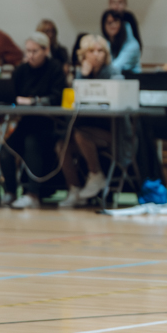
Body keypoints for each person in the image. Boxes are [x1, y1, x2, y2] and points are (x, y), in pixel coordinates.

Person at [3, 33, 66, 208]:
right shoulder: (21, 70)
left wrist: (32, 101)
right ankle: (10, 192)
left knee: (32, 145)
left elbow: (57, 97)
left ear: (45, 50)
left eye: (34, 51)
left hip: (49, 124)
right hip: (25, 123)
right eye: (28, 51)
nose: (30, 55)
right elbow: (10, 93)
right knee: (6, 151)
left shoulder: (55, 68)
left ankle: (33, 194)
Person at [58, 34, 115, 207]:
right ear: (83, 55)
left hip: (112, 133)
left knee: (81, 135)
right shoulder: (80, 74)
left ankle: (96, 174)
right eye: (91, 51)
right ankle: (74, 189)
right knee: (62, 145)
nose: (96, 55)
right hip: (85, 130)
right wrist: (82, 76)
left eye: (100, 51)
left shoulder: (113, 74)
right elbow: (72, 103)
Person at [102, 9, 141, 74]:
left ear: (121, 24)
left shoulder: (132, 44)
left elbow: (116, 67)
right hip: (112, 77)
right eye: (109, 23)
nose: (113, 25)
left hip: (131, 78)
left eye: (115, 21)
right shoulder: (105, 42)